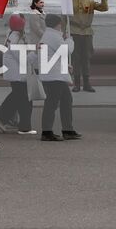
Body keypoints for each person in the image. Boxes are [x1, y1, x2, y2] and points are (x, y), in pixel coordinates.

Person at [0, 14, 35, 135]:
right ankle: (2, 117)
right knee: (22, 98)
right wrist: (35, 53)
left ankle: (17, 122)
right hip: (18, 74)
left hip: (15, 73)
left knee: (19, 97)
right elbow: (23, 59)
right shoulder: (17, 39)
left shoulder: (12, 35)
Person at [37, 13, 78, 141]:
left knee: (66, 100)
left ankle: (68, 129)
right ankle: (47, 132)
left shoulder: (47, 35)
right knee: (52, 104)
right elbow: (65, 50)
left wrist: (66, 65)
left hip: (53, 73)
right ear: (58, 24)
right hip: (54, 76)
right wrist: (70, 40)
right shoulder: (53, 36)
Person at [69, 0, 108, 92]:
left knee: (86, 58)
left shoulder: (89, 1)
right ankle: (76, 84)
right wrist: (64, 33)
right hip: (75, 32)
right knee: (75, 58)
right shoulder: (69, 0)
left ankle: (86, 84)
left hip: (87, 33)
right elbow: (64, 18)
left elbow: (104, 8)